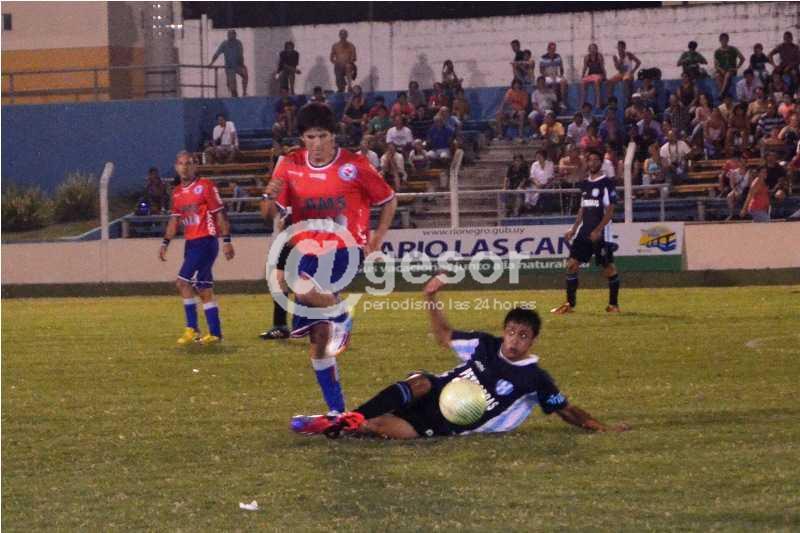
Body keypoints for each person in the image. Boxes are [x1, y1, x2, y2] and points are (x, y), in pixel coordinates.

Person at [290, 276, 629, 439]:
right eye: (512, 332)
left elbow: (566, 409)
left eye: (523, 336)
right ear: (504, 330)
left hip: (447, 423)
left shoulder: (534, 378)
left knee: (376, 428)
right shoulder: (485, 344)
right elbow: (444, 335)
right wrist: (430, 297)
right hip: (436, 390)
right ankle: (350, 416)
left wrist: (602, 427)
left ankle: (339, 425)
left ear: (533, 341)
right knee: (421, 382)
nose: (514, 340)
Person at [260, 103, 398, 414]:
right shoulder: (289, 165)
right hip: (305, 251)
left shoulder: (355, 165)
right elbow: (269, 214)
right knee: (319, 338)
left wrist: (376, 238)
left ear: (333, 135)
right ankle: (337, 411)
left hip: (344, 248)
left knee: (299, 286)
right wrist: (268, 195)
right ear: (302, 138)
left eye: (323, 136)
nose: (318, 143)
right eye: (311, 137)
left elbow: (389, 200)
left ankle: (342, 314)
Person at [159, 151, 235, 345]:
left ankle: (192, 329)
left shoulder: (206, 186)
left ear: (195, 166)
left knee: (182, 282)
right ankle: (215, 333)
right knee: (203, 288)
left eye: (189, 163)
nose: (185, 167)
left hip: (205, 241)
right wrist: (165, 242)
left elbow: (220, 214)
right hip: (191, 243)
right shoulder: (177, 192)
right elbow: (174, 220)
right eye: (181, 163)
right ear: (176, 167)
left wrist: (226, 240)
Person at [552, 149, 620, 315]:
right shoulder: (585, 184)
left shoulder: (607, 183)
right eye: (590, 160)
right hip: (584, 231)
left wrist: (598, 230)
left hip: (601, 233)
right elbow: (582, 208)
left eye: (596, 160)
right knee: (572, 265)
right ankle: (569, 304)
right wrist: (574, 228)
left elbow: (610, 210)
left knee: (608, 269)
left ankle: (613, 305)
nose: (593, 163)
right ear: (587, 163)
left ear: (601, 163)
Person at [260, 206, 294, 340]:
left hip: (299, 238)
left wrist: (287, 220)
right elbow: (267, 216)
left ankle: (332, 320)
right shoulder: (281, 197)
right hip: (287, 241)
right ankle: (280, 327)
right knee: (278, 280)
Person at [209, 30, 248, 97]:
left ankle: (244, 92)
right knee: (233, 87)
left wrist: (242, 65)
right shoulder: (224, 44)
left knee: (245, 74)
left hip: (238, 65)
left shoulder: (238, 43)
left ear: (235, 35)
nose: (230, 36)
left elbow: (241, 56)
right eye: (229, 35)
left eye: (231, 35)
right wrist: (211, 63)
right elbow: (217, 54)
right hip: (230, 68)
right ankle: (234, 96)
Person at [713, 33, 745, 98]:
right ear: (720, 40)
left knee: (727, 75)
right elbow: (715, 65)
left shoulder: (733, 49)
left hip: (731, 70)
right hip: (721, 70)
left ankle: (721, 93)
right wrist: (721, 70)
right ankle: (725, 95)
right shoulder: (717, 51)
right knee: (717, 76)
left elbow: (742, 58)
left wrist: (737, 67)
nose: (724, 41)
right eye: (722, 39)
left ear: (728, 40)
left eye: (725, 39)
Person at [330, 29, 357, 93]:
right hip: (339, 65)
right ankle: (341, 87)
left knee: (348, 66)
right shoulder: (335, 46)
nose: (343, 36)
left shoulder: (351, 46)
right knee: (338, 73)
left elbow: (354, 57)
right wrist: (336, 62)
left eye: (344, 34)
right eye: (341, 34)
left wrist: (349, 62)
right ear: (339, 35)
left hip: (348, 65)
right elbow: (331, 58)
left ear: (347, 35)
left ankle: (350, 86)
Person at [580, 43, 606, 108]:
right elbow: (585, 67)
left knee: (596, 81)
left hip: (599, 74)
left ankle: (598, 102)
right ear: (589, 50)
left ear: (596, 49)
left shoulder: (599, 56)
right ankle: (583, 102)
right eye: (591, 49)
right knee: (583, 81)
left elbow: (602, 67)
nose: (592, 50)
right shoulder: (587, 57)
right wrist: (582, 76)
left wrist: (604, 76)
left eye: (594, 48)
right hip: (591, 75)